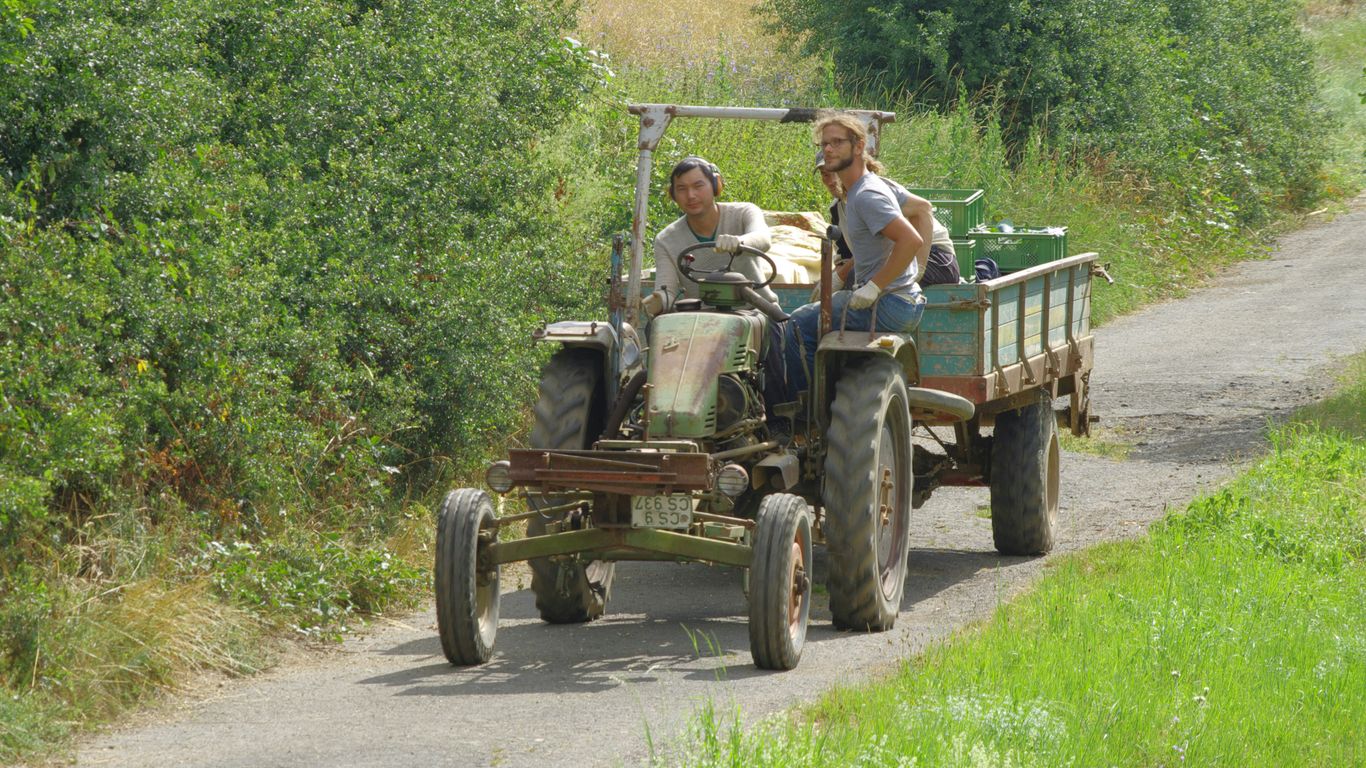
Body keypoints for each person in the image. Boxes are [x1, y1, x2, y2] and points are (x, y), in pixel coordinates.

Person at [783, 114, 927, 397]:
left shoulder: (867, 195)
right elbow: (875, 248)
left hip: (890, 303)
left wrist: (875, 286)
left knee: (799, 324)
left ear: (859, 146)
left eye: (837, 142)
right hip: (897, 300)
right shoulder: (855, 192)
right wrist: (843, 275)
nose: (828, 149)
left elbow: (911, 240)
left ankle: (805, 419)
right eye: (824, 144)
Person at [644, 156, 775, 317]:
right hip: (704, 323)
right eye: (682, 189)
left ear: (715, 186)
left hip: (759, 314)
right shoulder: (666, 240)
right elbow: (667, 292)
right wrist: (655, 301)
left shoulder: (744, 213)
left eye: (698, 186)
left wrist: (740, 242)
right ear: (673, 194)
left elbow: (763, 239)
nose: (691, 195)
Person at [818, 153, 960, 288]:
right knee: (853, 279)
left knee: (859, 278)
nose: (830, 181)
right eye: (825, 174)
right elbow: (847, 260)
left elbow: (923, 209)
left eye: (835, 173)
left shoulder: (873, 192)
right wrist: (828, 283)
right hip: (892, 260)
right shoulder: (837, 210)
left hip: (935, 259)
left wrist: (918, 271)